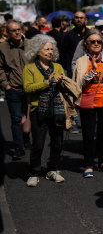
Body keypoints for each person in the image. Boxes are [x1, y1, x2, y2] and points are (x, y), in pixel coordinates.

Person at [73, 30, 103, 178]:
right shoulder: (81, 61)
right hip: (87, 101)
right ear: (86, 45)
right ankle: (88, 164)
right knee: (88, 134)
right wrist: (93, 71)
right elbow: (79, 83)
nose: (95, 44)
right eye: (92, 41)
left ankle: (102, 162)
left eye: (98, 41)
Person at [22, 35, 66, 187]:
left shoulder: (58, 67)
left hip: (57, 109)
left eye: (52, 49)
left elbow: (64, 88)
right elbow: (28, 89)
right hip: (37, 110)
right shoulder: (30, 68)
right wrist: (46, 83)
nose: (50, 52)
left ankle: (52, 170)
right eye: (46, 49)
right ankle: (34, 173)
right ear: (37, 51)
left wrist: (60, 84)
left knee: (57, 142)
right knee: (38, 144)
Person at [0, 20, 29, 159]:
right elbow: (0, 68)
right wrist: (5, 84)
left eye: (19, 29)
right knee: (16, 118)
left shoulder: (30, 44)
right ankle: (19, 147)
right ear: (7, 32)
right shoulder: (3, 47)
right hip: (13, 88)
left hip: (30, 88)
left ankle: (26, 139)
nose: (17, 32)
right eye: (13, 30)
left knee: (29, 116)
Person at [60, 11, 88, 78]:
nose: (79, 20)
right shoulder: (68, 35)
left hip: (89, 70)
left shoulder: (90, 34)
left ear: (85, 20)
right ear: (73, 20)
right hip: (73, 72)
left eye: (81, 18)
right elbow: (63, 54)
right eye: (77, 18)